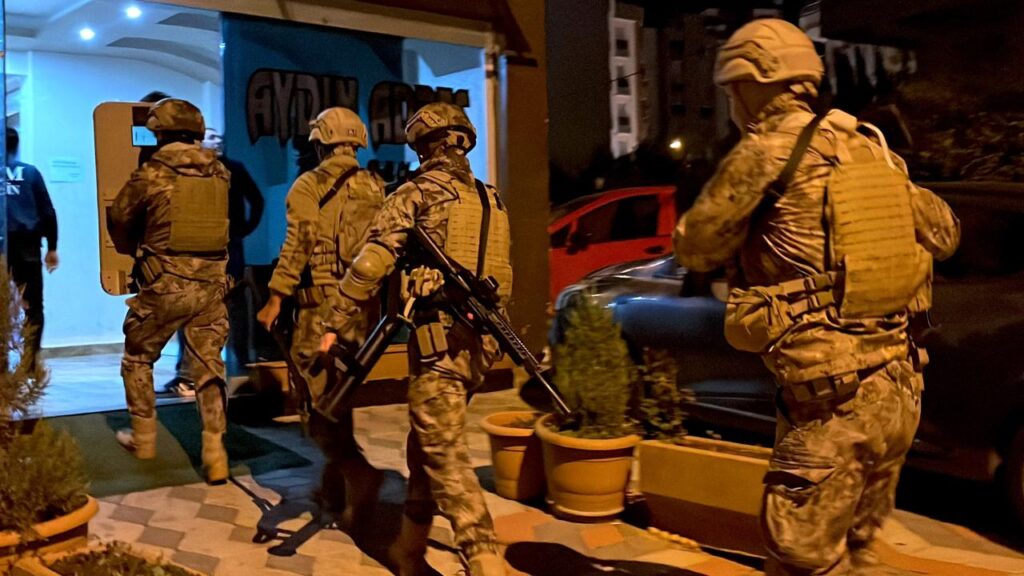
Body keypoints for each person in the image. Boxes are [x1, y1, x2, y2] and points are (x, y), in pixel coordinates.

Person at [673, 19, 960, 575]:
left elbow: (696, 246)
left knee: (801, 555)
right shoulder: (871, 150)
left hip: (833, 405)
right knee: (855, 552)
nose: (731, 103)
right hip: (899, 391)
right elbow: (945, 233)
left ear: (752, 83)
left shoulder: (767, 152)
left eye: (732, 90)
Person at [319, 102, 511, 576]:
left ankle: (482, 553)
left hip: (440, 340)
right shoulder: (491, 199)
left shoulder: (416, 193)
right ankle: (409, 548)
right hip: (481, 342)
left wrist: (334, 320)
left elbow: (372, 262)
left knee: (444, 453)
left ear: (423, 146)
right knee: (426, 443)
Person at [256, 107, 385, 528]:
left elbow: (301, 241)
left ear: (320, 142)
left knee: (317, 407)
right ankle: (334, 491)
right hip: (362, 310)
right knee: (339, 397)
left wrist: (276, 297)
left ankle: (359, 475)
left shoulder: (309, 185)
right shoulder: (375, 185)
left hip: (320, 309)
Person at [108, 98, 233, 484]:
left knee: (138, 356)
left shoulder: (152, 173)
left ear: (159, 132)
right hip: (212, 286)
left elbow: (119, 217)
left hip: (165, 284)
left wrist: (134, 251)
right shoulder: (221, 173)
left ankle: (144, 439)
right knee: (209, 367)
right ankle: (215, 452)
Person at [164, 127, 265, 396]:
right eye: (209, 138)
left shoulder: (232, 169)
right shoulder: (191, 171)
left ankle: (240, 366)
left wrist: (242, 230)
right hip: (201, 252)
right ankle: (189, 373)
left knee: (231, 308)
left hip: (225, 251)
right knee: (195, 310)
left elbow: (257, 201)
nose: (215, 142)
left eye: (218, 138)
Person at [5, 127, 58, 368]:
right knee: (33, 306)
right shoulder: (30, 173)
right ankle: (29, 362)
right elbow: (47, 211)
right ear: (16, 146)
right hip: (27, 247)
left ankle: (1, 362)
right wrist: (52, 247)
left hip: (2, 245)